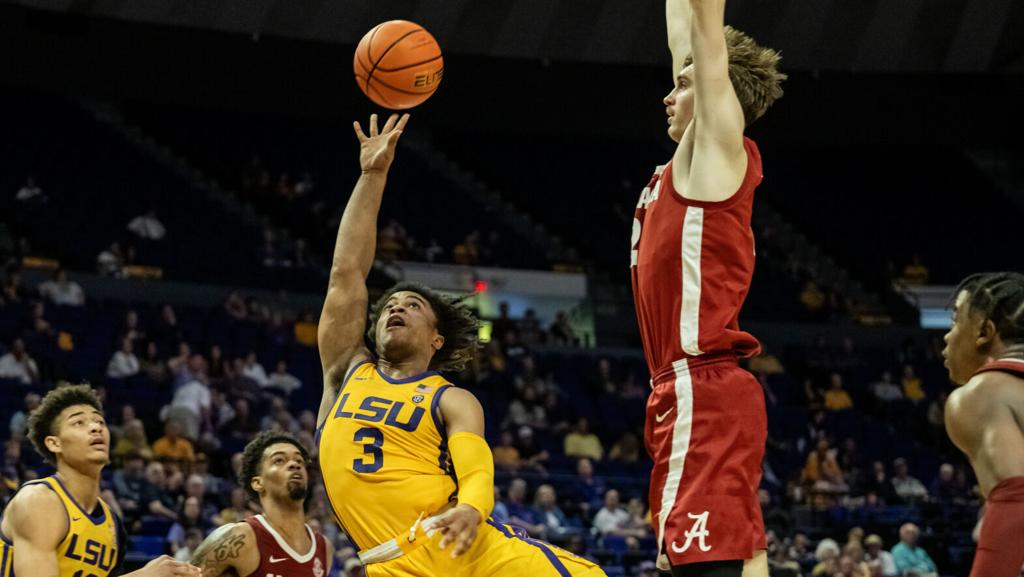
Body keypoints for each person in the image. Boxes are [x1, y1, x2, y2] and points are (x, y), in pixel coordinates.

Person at [316, 113, 604, 577]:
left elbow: (475, 467)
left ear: (436, 337)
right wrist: (372, 175)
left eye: (411, 305)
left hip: (461, 543)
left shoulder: (451, 398)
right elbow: (345, 273)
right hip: (387, 565)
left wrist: (472, 507)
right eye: (390, 305)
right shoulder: (346, 371)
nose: (395, 309)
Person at [631, 1, 784, 573]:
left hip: (701, 384)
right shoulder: (686, 163)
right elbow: (683, 29)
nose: (668, 95)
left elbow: (703, 28)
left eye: (685, 85)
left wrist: (703, 42)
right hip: (696, 389)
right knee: (739, 561)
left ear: (721, 95)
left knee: (696, 566)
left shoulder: (718, 154)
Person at [0, 384, 199, 577]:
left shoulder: (111, 524)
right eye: (79, 422)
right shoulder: (37, 501)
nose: (95, 427)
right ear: (55, 443)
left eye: (100, 421)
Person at [942, 272, 1024, 577]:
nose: (947, 337)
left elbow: (1017, 498)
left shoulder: (982, 394)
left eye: (954, 322)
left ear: (984, 333)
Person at [189, 431, 332, 576]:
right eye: (279, 460)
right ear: (258, 483)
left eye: (299, 461)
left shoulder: (324, 547)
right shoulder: (238, 538)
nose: (294, 464)